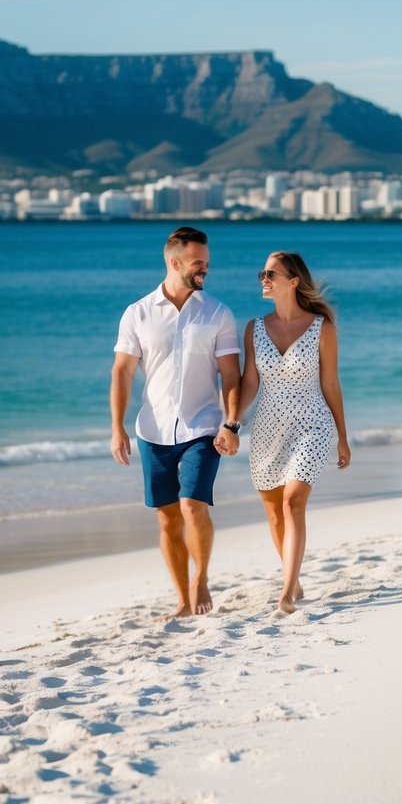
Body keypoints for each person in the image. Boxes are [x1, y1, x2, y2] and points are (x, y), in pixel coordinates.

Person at [110, 226, 241, 619]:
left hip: (204, 427)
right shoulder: (138, 313)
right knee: (166, 519)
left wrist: (231, 423)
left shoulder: (217, 312)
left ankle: (201, 579)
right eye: (199, 262)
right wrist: (117, 427)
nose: (206, 269)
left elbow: (231, 376)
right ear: (175, 261)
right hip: (153, 430)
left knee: (192, 505)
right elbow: (122, 372)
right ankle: (183, 599)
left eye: (207, 262)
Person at [236, 251, 350, 614]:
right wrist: (232, 423)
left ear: (293, 281)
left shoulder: (322, 328)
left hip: (313, 425)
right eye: (261, 274)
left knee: (292, 501)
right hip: (268, 429)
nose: (264, 280)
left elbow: (331, 382)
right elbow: (250, 381)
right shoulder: (255, 328)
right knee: (273, 512)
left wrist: (342, 436)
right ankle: (294, 577)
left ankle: (286, 592)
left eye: (271, 274)